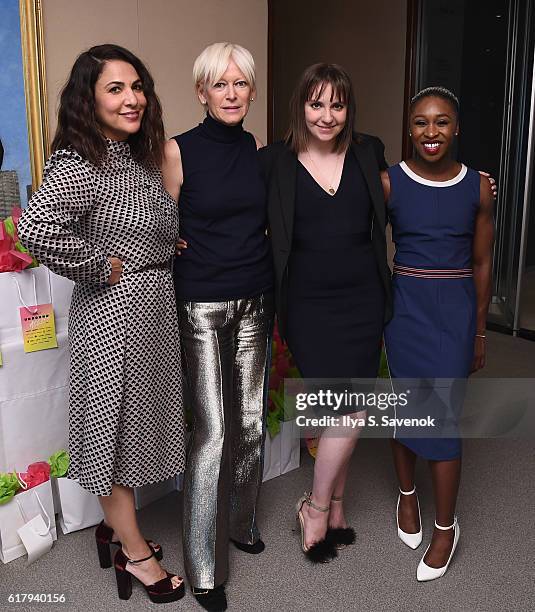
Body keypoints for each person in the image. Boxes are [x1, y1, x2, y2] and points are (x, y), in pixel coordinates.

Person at [18, 44, 185, 604]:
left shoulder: (135, 157)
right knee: (112, 436)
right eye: (115, 89)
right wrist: (100, 264)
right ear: (88, 98)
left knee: (136, 429)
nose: (132, 98)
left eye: (137, 86)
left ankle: (114, 528)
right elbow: (37, 231)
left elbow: (139, 222)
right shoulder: (79, 161)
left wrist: (164, 242)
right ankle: (135, 556)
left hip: (154, 314)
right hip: (115, 320)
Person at [259, 63, 393, 562]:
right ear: (301, 106)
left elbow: (404, 194)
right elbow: (238, 214)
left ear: (348, 109)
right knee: (344, 407)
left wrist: (468, 185)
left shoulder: (368, 151)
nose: (327, 115)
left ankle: (332, 507)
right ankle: (318, 507)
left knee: (351, 406)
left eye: (337, 105)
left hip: (363, 300)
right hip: (308, 306)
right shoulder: (273, 161)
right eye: (317, 103)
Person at [161, 42, 273, 611]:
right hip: (201, 304)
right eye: (219, 84)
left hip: (257, 297)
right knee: (212, 434)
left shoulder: (256, 149)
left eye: (241, 84)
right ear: (202, 92)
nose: (231, 93)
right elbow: (152, 220)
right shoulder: (176, 150)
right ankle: (204, 570)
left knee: (252, 423)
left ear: (250, 91)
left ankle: (240, 522)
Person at [382, 86, 494, 581]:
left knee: (442, 420)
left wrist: (481, 331)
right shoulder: (388, 183)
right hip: (404, 307)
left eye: (442, 122)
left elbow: (483, 261)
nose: (432, 132)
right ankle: (407, 495)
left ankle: (446, 528)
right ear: (409, 129)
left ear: (457, 128)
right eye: (422, 122)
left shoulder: (479, 187)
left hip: (454, 309)